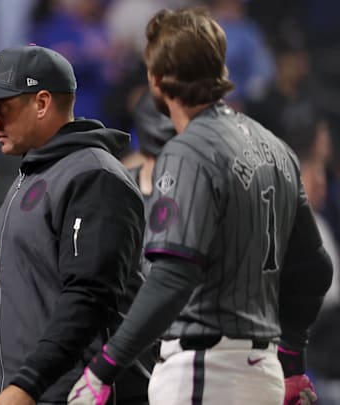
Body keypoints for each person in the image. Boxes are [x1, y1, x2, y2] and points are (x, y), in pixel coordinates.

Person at [68, 8, 333, 405]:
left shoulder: (187, 150)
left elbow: (172, 277)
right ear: (218, 69)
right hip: (264, 373)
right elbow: (315, 269)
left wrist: (105, 367)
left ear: (156, 81)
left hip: (202, 371)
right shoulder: (275, 148)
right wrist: (292, 360)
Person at [0, 45, 146, 404]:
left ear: (42, 103)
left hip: (75, 396)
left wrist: (27, 385)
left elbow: (88, 298)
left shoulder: (94, 176)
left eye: (2, 108)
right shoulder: (34, 174)